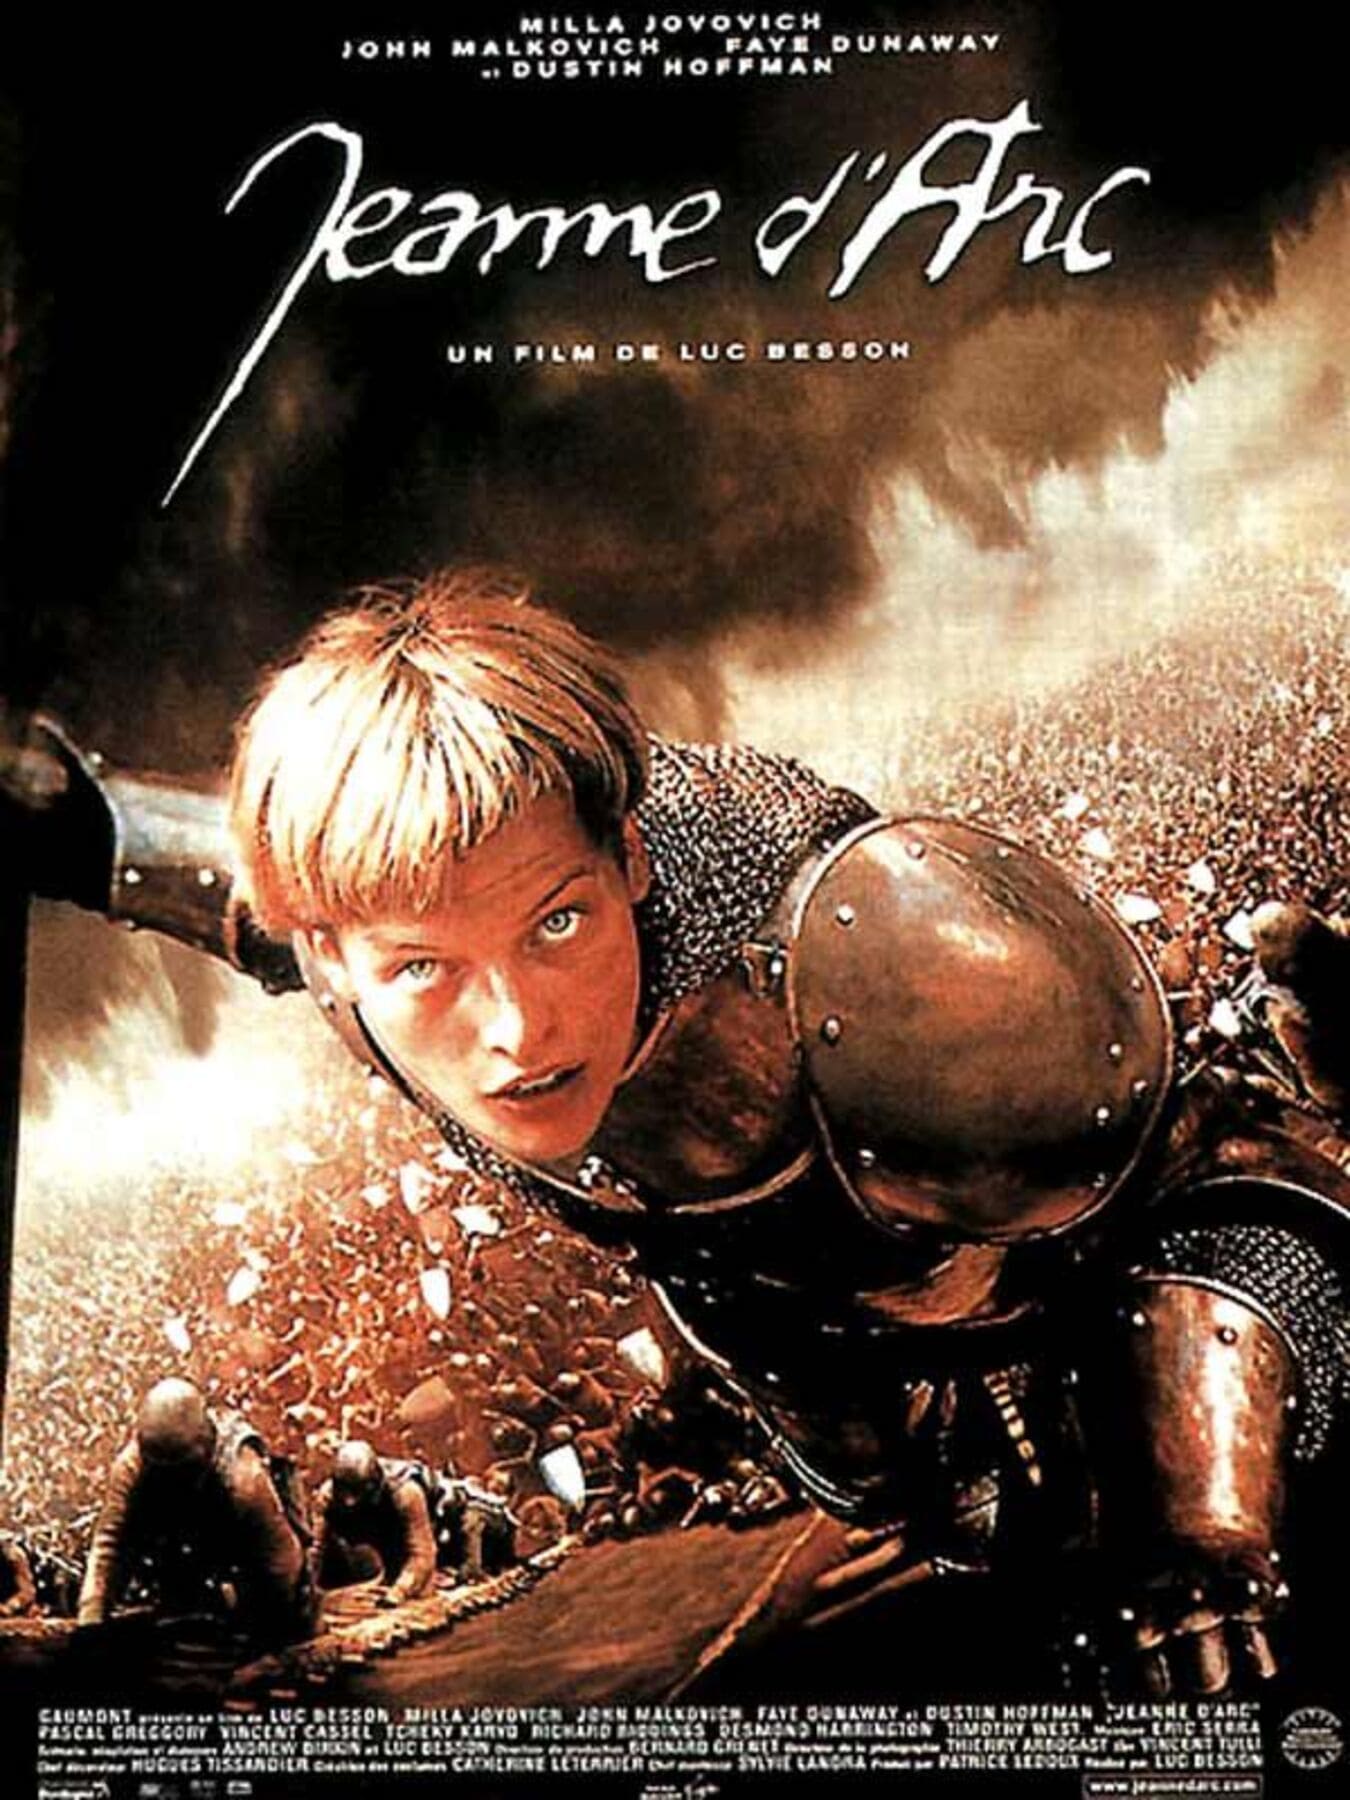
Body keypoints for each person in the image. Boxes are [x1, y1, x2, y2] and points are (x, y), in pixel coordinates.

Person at [13, 569, 1350, 1696]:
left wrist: (1204, 1518)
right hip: (794, 1338)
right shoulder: (350, 936)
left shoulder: (896, 955)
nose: (518, 1030)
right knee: (936, 1522)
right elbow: (238, 887)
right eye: (424, 967)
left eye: (558, 923)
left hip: (1079, 1309)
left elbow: (1217, 1175)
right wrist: (84, 826)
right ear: (331, 958)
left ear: (634, 860)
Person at [76, 1378, 314, 1644]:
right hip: (188, 1547)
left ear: (207, 1446)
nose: (171, 1482)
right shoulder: (134, 1465)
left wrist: (269, 1637)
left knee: (290, 1620)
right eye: (162, 1471)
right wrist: (90, 1619)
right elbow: (110, 1542)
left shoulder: (244, 1481)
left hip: (244, 1549)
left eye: (180, 1470)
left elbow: (281, 1566)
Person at [314, 1440, 439, 1604]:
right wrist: (307, 1588)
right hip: (383, 1535)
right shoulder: (328, 1496)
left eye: (356, 1491)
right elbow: (315, 1548)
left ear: (374, 1482)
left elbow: (422, 1553)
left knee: (420, 1594)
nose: (349, 1502)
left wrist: (399, 1591)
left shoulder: (406, 1493)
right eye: (344, 1490)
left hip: (432, 1526)